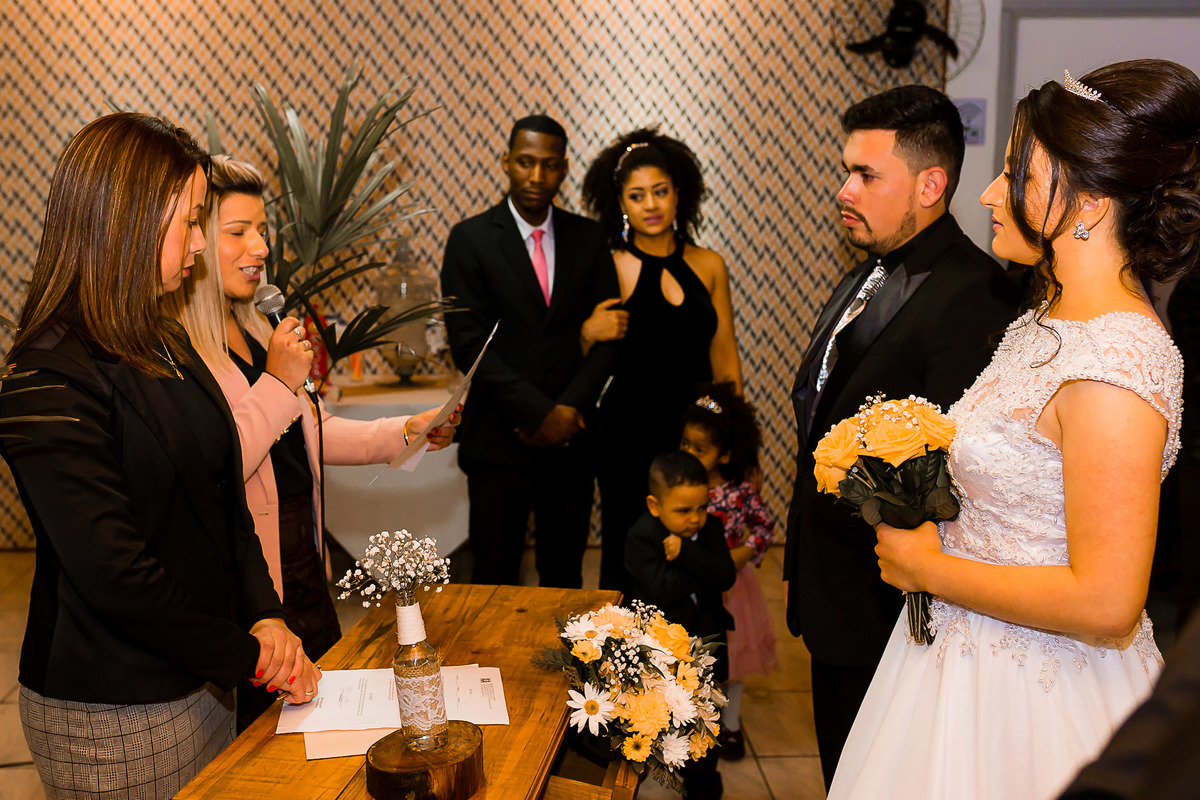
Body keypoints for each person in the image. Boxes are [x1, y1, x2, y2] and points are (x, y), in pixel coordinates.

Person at [830, 59, 1200, 799]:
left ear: (1089, 201)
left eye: (1017, 176)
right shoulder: (1044, 321)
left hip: (1039, 694)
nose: (990, 195)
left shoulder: (1117, 360)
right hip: (959, 657)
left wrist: (927, 568)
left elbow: (1108, 604)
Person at [0, 113, 320, 800]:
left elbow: (224, 500)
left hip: (206, 672)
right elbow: (115, 576)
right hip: (116, 710)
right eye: (191, 221)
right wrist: (249, 655)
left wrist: (265, 614)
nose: (200, 245)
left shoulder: (164, 338)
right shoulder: (46, 375)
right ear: (127, 221)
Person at [782, 84, 1021, 788]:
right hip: (835, 590)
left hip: (888, 606)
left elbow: (954, 474)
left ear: (930, 185)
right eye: (846, 171)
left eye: (866, 175)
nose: (844, 190)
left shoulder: (974, 292)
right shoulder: (873, 266)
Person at [166, 155, 456, 729]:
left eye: (262, 230)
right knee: (268, 738)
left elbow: (304, 436)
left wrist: (405, 431)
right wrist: (278, 382)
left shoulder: (255, 327)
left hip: (304, 558)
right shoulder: (178, 351)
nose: (260, 248)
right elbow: (211, 468)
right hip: (252, 582)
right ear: (194, 238)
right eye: (238, 232)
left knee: (327, 722)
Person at [440, 115, 618, 588]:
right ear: (506, 162)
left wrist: (567, 412)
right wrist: (540, 413)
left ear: (564, 169)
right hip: (498, 442)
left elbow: (609, 339)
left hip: (571, 443)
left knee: (564, 581)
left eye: (549, 165)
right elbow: (468, 345)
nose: (537, 176)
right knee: (494, 579)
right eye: (525, 162)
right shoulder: (470, 239)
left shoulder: (589, 238)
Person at [581, 127, 743, 596]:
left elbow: (725, 359)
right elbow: (580, 355)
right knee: (628, 542)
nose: (650, 205)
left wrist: (733, 439)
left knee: (694, 544)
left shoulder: (709, 264)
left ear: (678, 194)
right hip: (625, 431)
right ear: (620, 203)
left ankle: (687, 640)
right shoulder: (610, 264)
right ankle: (620, 638)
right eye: (636, 196)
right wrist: (586, 332)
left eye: (660, 191)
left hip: (692, 433)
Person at [625, 450, 736, 800]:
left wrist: (686, 553)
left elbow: (726, 575)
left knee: (706, 728)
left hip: (709, 649)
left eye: (702, 508)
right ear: (655, 506)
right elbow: (662, 587)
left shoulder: (711, 527)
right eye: (684, 510)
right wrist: (705, 569)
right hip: (662, 658)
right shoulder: (640, 535)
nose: (695, 519)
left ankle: (703, 787)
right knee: (660, 725)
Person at [679, 384, 778, 761]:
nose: (688, 454)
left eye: (699, 449)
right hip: (690, 585)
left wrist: (743, 554)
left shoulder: (738, 491)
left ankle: (731, 724)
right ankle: (689, 720)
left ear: (724, 454)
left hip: (733, 589)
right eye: (685, 445)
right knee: (692, 656)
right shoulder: (679, 488)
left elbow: (764, 527)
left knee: (733, 662)